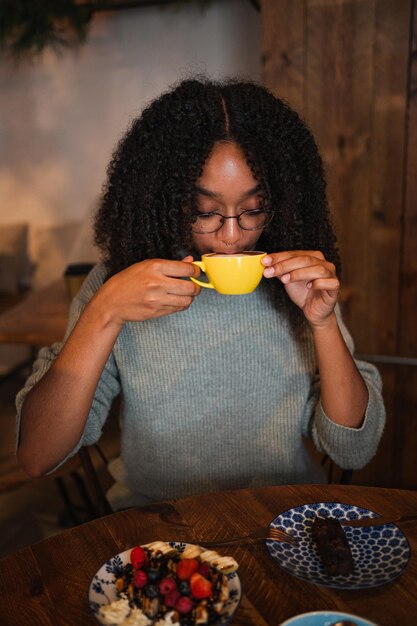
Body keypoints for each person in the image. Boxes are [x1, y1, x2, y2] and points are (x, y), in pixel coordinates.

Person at [16, 77, 385, 509]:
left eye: (253, 208)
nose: (231, 236)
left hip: (283, 519)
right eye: (203, 211)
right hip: (159, 525)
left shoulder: (297, 284)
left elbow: (352, 450)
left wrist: (323, 324)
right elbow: (38, 455)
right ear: (164, 198)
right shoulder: (121, 286)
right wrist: (105, 312)